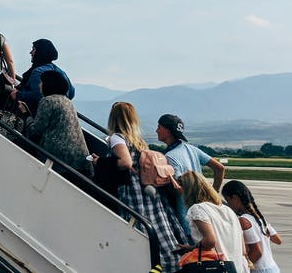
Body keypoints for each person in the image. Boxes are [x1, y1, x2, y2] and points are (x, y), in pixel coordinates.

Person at [101, 102, 188, 271]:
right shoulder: (138, 140)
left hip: (133, 193)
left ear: (114, 118)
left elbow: (125, 162)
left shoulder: (117, 137)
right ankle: (169, 266)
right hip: (150, 193)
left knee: (139, 232)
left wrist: (101, 162)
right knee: (159, 232)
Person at [157, 113, 226, 242]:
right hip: (205, 212)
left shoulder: (170, 156)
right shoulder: (192, 149)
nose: (156, 130)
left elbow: (179, 189)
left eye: (159, 127)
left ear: (167, 131)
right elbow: (220, 168)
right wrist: (214, 191)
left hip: (187, 219)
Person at [25, 69, 92, 176]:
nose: (39, 85)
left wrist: (26, 115)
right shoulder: (67, 101)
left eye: (41, 82)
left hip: (58, 159)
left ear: (48, 84)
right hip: (78, 158)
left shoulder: (48, 101)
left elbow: (35, 131)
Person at [179, 171, 249, 273]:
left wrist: (192, 248)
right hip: (237, 268)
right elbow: (243, 250)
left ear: (187, 191)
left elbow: (210, 241)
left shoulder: (198, 209)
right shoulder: (228, 210)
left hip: (216, 268)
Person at [221, 181, 282, 272]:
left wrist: (242, 268)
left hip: (259, 269)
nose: (228, 204)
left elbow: (257, 252)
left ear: (234, 198)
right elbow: (278, 240)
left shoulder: (243, 220)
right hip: (273, 268)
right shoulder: (259, 218)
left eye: (228, 200)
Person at [11, 39, 73, 117]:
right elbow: (71, 92)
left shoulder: (38, 72)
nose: (31, 52)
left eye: (33, 49)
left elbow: (38, 96)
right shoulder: (60, 71)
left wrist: (18, 94)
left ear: (40, 52)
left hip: (37, 116)